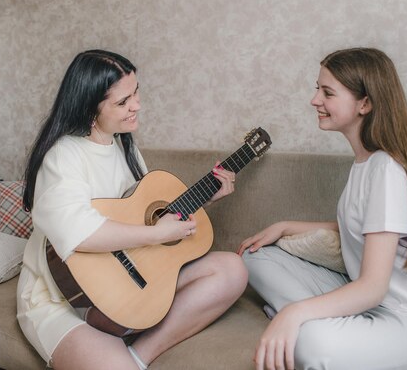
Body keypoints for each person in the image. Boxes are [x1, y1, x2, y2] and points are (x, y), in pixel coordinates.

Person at [17, 49, 248, 370]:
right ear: (89, 109)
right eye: (123, 102)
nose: (136, 105)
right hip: (62, 299)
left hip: (123, 286)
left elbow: (137, 209)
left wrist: (203, 199)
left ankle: (140, 355)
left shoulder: (124, 145)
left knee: (232, 270)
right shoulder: (64, 156)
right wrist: (155, 235)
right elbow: (79, 233)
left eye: (136, 92)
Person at [239, 48, 407, 370]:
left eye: (327, 92)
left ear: (365, 103)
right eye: (317, 88)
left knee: (311, 345)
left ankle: (308, 324)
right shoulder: (367, 162)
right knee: (255, 255)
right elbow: (366, 227)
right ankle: (324, 320)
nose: (314, 100)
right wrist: (287, 225)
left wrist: (293, 313)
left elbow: (373, 287)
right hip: (374, 302)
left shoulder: (387, 169)